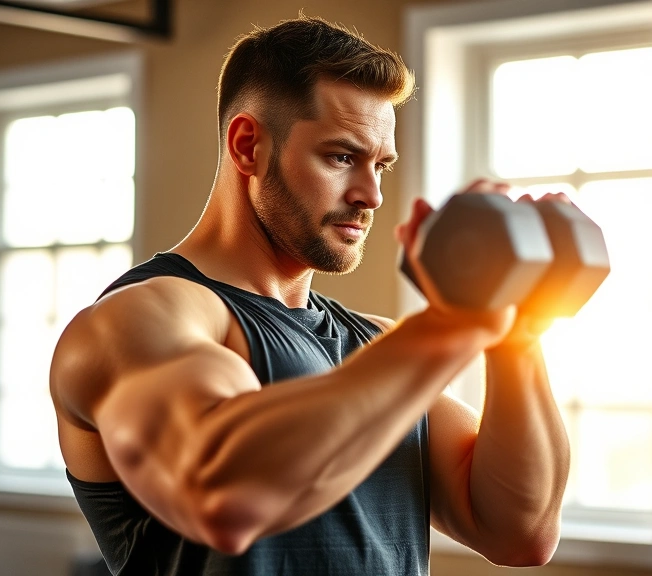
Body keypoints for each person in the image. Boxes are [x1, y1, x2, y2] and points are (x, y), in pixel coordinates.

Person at [50, 14, 570, 576]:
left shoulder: (375, 346)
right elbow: (223, 498)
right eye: (342, 157)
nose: (371, 195)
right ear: (248, 146)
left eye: (381, 165)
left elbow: (521, 531)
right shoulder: (141, 319)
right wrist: (450, 326)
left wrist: (517, 330)